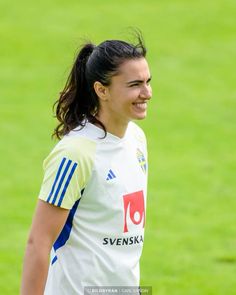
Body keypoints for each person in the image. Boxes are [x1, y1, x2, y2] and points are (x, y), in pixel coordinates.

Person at [21, 32, 152, 295]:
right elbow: (39, 242)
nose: (147, 93)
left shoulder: (136, 139)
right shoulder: (76, 152)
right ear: (101, 90)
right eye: (135, 84)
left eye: (148, 81)